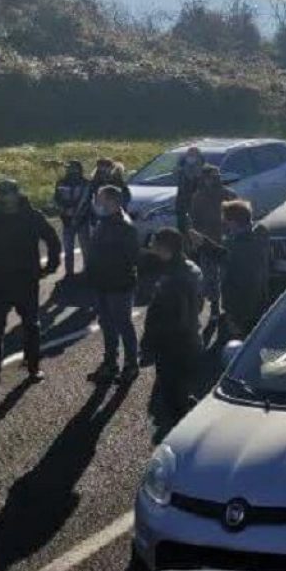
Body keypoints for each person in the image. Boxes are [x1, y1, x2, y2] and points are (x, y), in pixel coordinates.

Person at [0, 179, 61, 382]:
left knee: (31, 325)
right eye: (2, 193)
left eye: (9, 193)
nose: (6, 197)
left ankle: (33, 366)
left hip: (25, 279)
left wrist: (50, 266)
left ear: (17, 194)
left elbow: (52, 239)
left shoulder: (31, 215)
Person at [141, 228, 204, 418]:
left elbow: (162, 318)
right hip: (191, 337)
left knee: (171, 392)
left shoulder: (171, 279)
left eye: (155, 244)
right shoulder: (192, 269)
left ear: (165, 248)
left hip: (172, 344)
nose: (152, 247)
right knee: (184, 383)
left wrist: (148, 344)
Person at [86, 186, 141, 384]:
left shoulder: (124, 226)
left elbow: (133, 257)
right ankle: (110, 363)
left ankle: (131, 364)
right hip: (102, 282)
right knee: (107, 325)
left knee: (123, 324)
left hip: (119, 284)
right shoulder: (103, 222)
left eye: (102, 200)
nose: (98, 204)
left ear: (114, 202)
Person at [188, 165, 237, 326]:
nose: (211, 180)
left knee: (227, 276)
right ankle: (215, 308)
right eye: (208, 177)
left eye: (214, 177)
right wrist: (195, 240)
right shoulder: (198, 197)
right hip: (206, 242)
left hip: (225, 242)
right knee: (210, 278)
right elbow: (194, 220)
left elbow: (237, 216)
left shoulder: (228, 195)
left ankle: (228, 308)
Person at [219, 200, 270, 339]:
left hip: (239, 309)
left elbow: (231, 279)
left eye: (226, 220)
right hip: (259, 304)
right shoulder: (260, 237)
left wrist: (230, 313)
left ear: (233, 222)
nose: (224, 224)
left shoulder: (234, 246)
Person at [74, 157, 115, 267]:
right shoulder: (93, 184)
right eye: (101, 168)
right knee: (91, 247)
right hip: (93, 219)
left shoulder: (114, 183)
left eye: (105, 168)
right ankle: (90, 269)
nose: (103, 171)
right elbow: (84, 201)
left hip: (105, 220)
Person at [53, 160, 88, 279]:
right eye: (68, 168)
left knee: (85, 247)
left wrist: (78, 213)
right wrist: (63, 208)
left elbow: (86, 201)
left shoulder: (85, 183)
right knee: (68, 249)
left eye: (73, 168)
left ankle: (87, 271)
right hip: (67, 220)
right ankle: (69, 273)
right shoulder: (61, 182)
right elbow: (57, 198)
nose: (70, 170)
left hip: (82, 220)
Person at [175, 146, 206, 233]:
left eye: (194, 155)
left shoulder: (205, 171)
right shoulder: (182, 171)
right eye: (189, 154)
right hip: (183, 205)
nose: (191, 157)